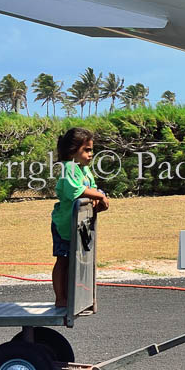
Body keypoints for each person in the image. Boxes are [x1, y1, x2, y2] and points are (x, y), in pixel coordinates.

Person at [52, 127, 109, 307]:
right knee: (63, 259)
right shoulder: (69, 168)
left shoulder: (84, 170)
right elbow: (76, 191)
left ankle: (71, 296)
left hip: (78, 224)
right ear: (72, 151)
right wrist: (99, 197)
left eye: (91, 149)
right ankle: (60, 298)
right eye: (87, 150)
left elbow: (92, 189)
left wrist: (99, 200)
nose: (91, 154)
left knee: (73, 260)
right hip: (64, 224)